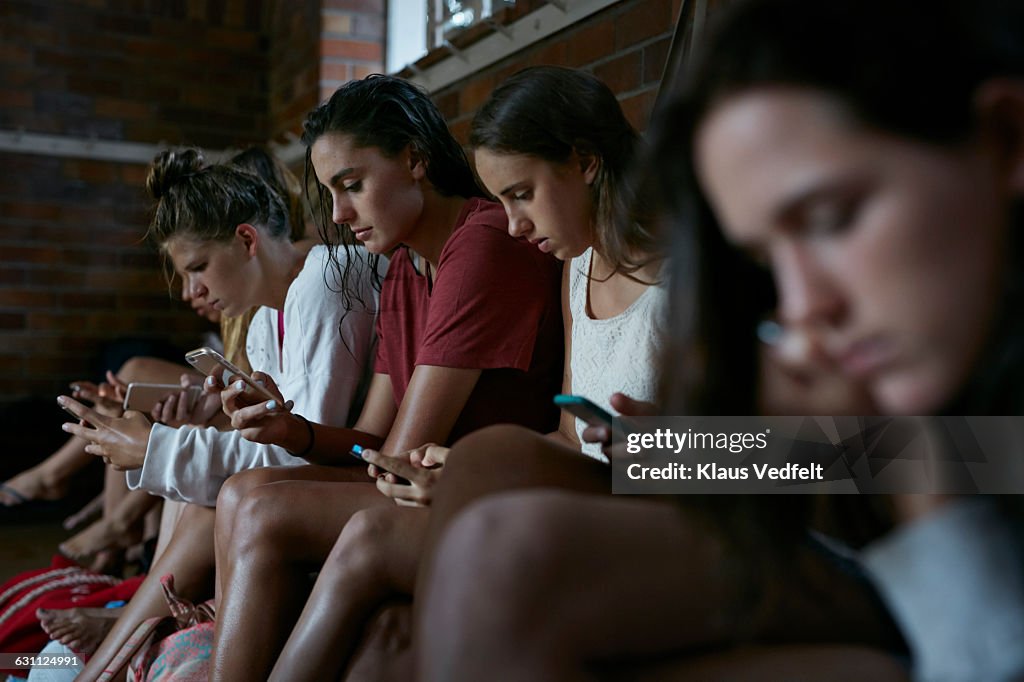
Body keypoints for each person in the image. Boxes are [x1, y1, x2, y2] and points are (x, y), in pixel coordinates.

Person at [413, 0, 1024, 679]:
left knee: (510, 557)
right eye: (765, 255)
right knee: (491, 465)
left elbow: (951, 467)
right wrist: (681, 446)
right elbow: (847, 460)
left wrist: (890, 461)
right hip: (852, 512)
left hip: (929, 579)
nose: (803, 304)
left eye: (830, 218)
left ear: (1006, 138)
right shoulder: (887, 342)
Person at [263, 66, 669, 681]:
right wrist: (473, 475)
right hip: (583, 503)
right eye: (501, 200)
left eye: (523, 194)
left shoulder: (696, 278)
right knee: (384, 644)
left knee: (372, 540)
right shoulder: (576, 270)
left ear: (585, 161)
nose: (512, 225)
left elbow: (840, 457)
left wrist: (673, 448)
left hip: (651, 527)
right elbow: (566, 440)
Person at [207, 74, 564, 681]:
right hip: (416, 476)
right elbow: (373, 438)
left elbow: (396, 456)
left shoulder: (481, 242)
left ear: (415, 159)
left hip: (471, 485)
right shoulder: (402, 267)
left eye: (353, 186)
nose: (341, 215)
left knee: (262, 510)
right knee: (244, 489)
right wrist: (290, 429)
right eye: (331, 193)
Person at [58, 148, 379, 681]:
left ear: (247, 239)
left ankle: (116, 650)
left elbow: (301, 449)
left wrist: (155, 447)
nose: (192, 292)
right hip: (326, 460)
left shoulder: (326, 281)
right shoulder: (261, 324)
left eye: (198, 268)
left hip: (353, 464)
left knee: (218, 491)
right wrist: (172, 437)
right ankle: (128, 636)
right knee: (202, 485)